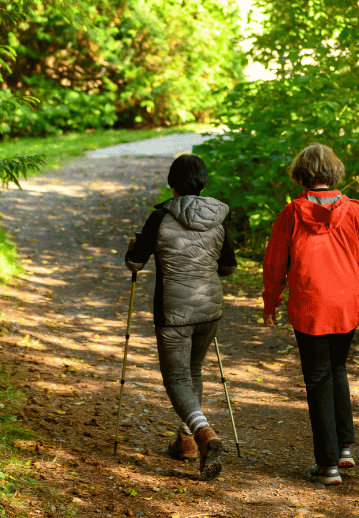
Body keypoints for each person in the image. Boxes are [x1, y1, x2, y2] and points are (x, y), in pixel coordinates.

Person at [261, 143, 359, 486]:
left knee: (319, 377)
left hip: (310, 303)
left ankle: (327, 464)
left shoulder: (292, 213)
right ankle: (344, 447)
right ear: (333, 172)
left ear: (301, 174)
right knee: (336, 369)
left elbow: (274, 263)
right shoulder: (354, 212)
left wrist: (270, 302)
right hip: (347, 304)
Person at [125, 153, 238, 481]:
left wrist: (135, 246)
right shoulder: (219, 217)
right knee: (193, 372)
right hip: (209, 310)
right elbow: (228, 268)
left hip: (173, 311)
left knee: (176, 379)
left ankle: (203, 433)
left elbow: (135, 263)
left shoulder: (160, 217)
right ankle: (188, 442)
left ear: (172, 184)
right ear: (203, 182)